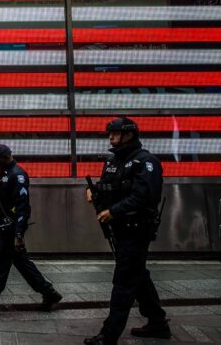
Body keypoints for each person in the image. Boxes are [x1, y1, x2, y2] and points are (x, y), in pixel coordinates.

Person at [84, 118, 170, 345]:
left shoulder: (146, 161)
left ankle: (108, 335)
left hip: (136, 228)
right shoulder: (114, 161)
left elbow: (145, 196)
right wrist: (93, 192)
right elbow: (108, 186)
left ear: (129, 135)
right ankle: (158, 323)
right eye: (109, 133)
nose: (110, 137)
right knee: (137, 274)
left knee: (123, 280)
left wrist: (114, 211)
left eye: (115, 133)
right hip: (119, 229)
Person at [0, 144, 62, 317]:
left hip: (10, 230)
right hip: (5, 227)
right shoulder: (5, 173)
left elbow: (22, 207)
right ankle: (49, 293)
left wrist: (18, 233)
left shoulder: (17, 175)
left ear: (6, 157)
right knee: (22, 263)